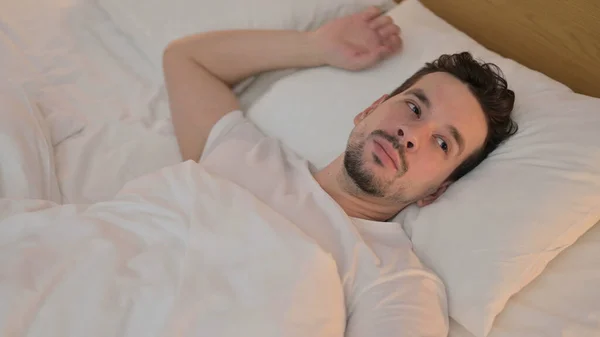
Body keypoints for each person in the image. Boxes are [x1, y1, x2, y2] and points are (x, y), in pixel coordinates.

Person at [162, 6, 518, 337]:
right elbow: (186, 60)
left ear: (436, 190)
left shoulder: (394, 285)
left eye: (442, 144)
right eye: (413, 107)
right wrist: (314, 47)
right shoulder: (245, 154)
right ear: (370, 108)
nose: (411, 134)